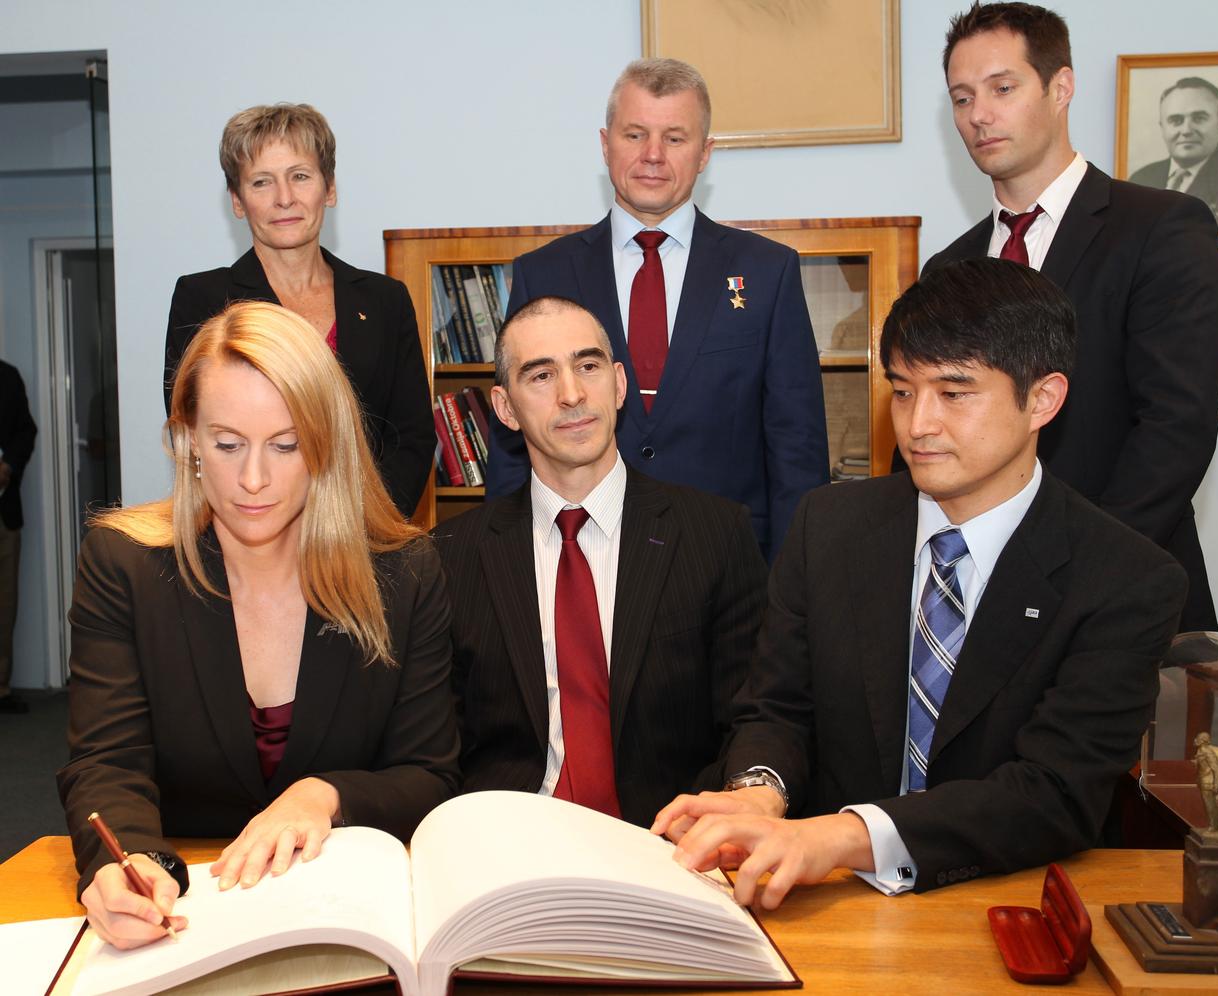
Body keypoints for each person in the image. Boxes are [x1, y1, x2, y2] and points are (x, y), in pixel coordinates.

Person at [652, 259, 1188, 908]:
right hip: (829, 902)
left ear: (1042, 399)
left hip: (1008, 904)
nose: (918, 424)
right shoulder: (830, 526)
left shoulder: (1125, 578)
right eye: (903, 391)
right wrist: (760, 793)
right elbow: (778, 708)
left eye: (954, 393)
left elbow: (1053, 793)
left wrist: (847, 835)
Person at [60, 301, 460, 949]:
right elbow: (108, 762)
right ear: (188, 439)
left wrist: (323, 794)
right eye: (227, 444)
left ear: (326, 445)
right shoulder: (124, 565)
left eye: (285, 445)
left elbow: (430, 774)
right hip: (190, 912)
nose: (252, 479)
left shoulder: (406, 574)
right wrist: (128, 862)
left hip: (346, 917)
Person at [923, 2, 1218, 631]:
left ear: (1060, 87)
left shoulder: (1160, 228)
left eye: (1002, 88)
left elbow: (1176, 428)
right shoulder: (946, 270)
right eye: (961, 98)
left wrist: (1076, 571)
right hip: (974, 604)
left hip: (1118, 590)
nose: (979, 114)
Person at [434, 296, 767, 826]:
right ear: (504, 408)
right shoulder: (448, 557)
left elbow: (753, 714)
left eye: (587, 366)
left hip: (667, 839)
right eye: (540, 376)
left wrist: (739, 801)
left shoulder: (715, 534)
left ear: (618, 384)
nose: (571, 395)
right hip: (511, 844)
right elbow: (436, 751)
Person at [483, 59, 828, 561]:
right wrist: (506, 568)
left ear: (705, 152)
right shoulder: (544, 274)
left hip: (728, 568)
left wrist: (793, 594)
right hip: (579, 559)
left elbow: (797, 451)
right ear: (606, 144)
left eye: (674, 138)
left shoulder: (768, 272)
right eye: (635, 134)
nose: (652, 156)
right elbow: (514, 444)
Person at [163, 103, 433, 518]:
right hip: (246, 536)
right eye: (261, 183)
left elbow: (412, 439)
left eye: (300, 176)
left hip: (368, 541)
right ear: (237, 201)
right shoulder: (202, 299)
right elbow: (195, 436)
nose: (284, 199)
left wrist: (367, 531)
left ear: (329, 189)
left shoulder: (385, 300)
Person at [1129, 77, 1218, 231]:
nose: (1187, 130)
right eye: (1176, 120)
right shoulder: (1140, 179)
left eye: (1199, 118)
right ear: (1162, 127)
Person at [0, 359, 37, 714]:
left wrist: (8, 466)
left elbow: (26, 431)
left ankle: (2, 688)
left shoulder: (8, 377)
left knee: (5, 601)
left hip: (4, 513)